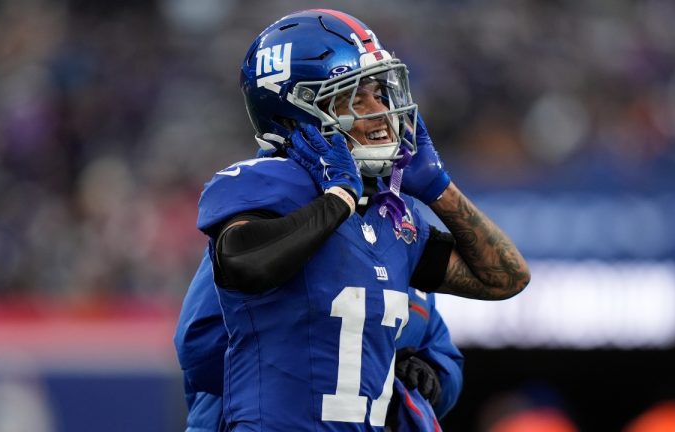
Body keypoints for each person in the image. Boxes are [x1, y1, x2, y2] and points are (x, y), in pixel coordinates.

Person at [192, 8, 530, 431]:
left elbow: (505, 279)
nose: (379, 111)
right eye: (353, 97)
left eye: (378, 92)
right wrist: (338, 198)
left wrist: (439, 188)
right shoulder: (268, 184)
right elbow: (240, 269)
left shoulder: (394, 218)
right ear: (297, 113)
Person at [175, 249, 464, 431]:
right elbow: (199, 347)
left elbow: (444, 357)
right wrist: (305, 373)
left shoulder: (404, 255)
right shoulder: (272, 234)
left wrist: (432, 378)